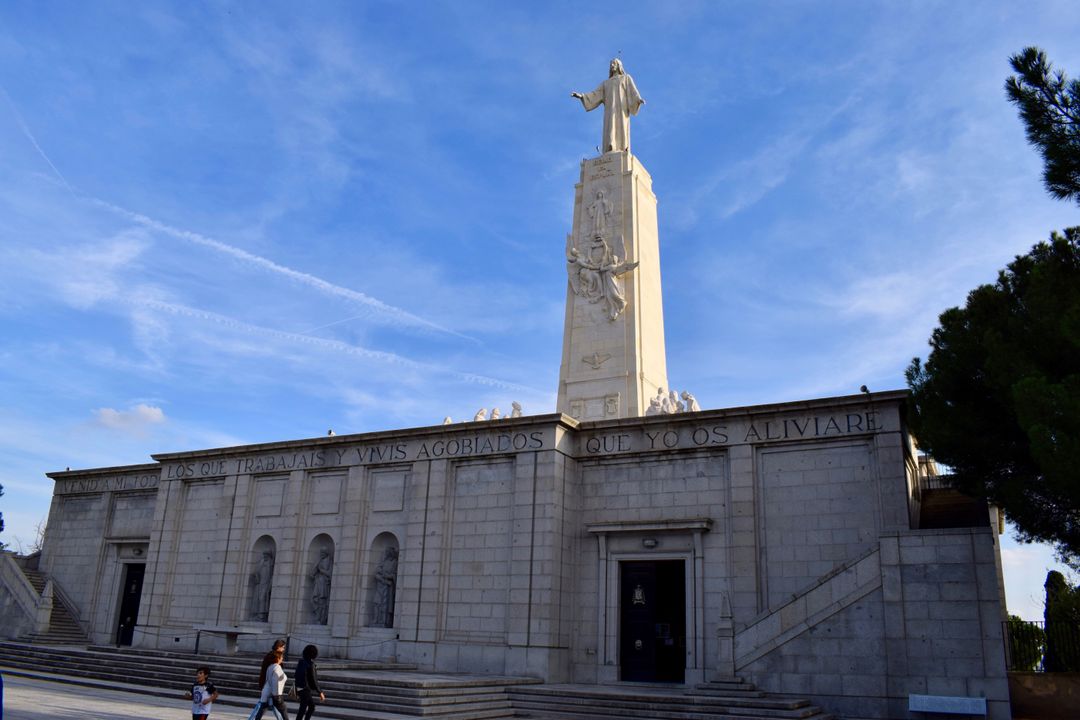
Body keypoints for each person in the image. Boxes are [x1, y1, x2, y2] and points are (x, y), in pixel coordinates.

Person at [571, 58, 645, 154]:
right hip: (610, 111)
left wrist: (638, 100)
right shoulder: (606, 83)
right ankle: (611, 146)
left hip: (621, 110)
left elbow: (633, 91)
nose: (612, 65)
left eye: (614, 63)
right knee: (610, 127)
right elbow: (595, 94)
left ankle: (622, 148)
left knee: (621, 126)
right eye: (611, 64)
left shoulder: (626, 78)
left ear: (619, 66)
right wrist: (582, 96)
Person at [294, 644, 325, 720]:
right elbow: (314, 679)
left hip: (299, 687)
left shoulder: (301, 662)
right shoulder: (311, 664)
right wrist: (320, 692)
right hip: (305, 689)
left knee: (310, 707)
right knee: (305, 708)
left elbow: (296, 675)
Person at [259, 647, 289, 720]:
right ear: (277, 658)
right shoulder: (277, 668)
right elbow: (276, 682)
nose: (282, 659)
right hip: (276, 694)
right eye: (281, 657)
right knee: (283, 710)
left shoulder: (270, 666)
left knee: (262, 709)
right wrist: (277, 695)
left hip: (267, 693)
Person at [310, 547, 332, 625]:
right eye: (321, 553)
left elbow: (330, 574)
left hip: (324, 585)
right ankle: (317, 617)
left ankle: (321, 619)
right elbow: (312, 574)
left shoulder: (329, 562)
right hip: (317, 582)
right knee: (314, 600)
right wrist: (316, 567)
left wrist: (321, 570)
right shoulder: (319, 561)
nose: (322, 554)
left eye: (323, 553)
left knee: (322, 601)